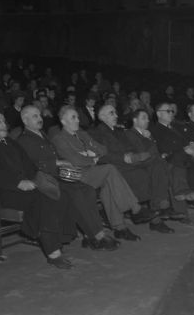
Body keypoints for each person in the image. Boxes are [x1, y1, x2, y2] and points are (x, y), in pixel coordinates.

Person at [0, 112, 78, 269]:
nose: (3, 124)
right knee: (43, 200)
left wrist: (37, 179)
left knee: (60, 194)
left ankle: (58, 238)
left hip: (26, 186)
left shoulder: (11, 142)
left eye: (4, 121)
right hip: (4, 192)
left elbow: (29, 166)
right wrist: (18, 183)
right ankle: (53, 253)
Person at [17, 105, 119, 251]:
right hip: (46, 179)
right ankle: (97, 235)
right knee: (76, 194)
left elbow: (55, 155)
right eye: (35, 116)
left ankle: (89, 235)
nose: (40, 119)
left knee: (88, 190)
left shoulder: (42, 135)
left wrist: (65, 161)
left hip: (60, 174)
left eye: (39, 115)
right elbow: (33, 164)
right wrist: (57, 162)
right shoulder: (24, 140)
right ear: (24, 120)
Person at [52, 106, 161, 239]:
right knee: (109, 169)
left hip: (92, 171)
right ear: (63, 121)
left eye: (77, 117)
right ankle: (135, 209)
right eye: (73, 118)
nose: (77, 120)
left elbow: (103, 150)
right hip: (79, 175)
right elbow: (75, 160)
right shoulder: (59, 138)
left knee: (108, 185)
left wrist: (89, 154)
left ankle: (120, 228)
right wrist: (92, 157)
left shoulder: (82, 134)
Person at [95, 104, 177, 228]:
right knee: (151, 168)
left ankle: (161, 206)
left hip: (131, 162)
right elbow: (101, 154)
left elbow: (132, 147)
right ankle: (156, 210)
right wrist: (124, 157)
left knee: (157, 164)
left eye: (115, 112)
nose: (116, 115)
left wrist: (139, 148)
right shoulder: (97, 132)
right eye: (112, 113)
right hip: (117, 166)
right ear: (102, 117)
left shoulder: (119, 131)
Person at [151, 103, 194, 218]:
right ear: (159, 114)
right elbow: (161, 149)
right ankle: (183, 208)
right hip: (171, 161)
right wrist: (184, 150)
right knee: (180, 170)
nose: (171, 113)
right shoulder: (154, 130)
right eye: (168, 111)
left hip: (187, 159)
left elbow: (187, 141)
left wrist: (192, 144)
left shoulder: (175, 128)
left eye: (172, 111)